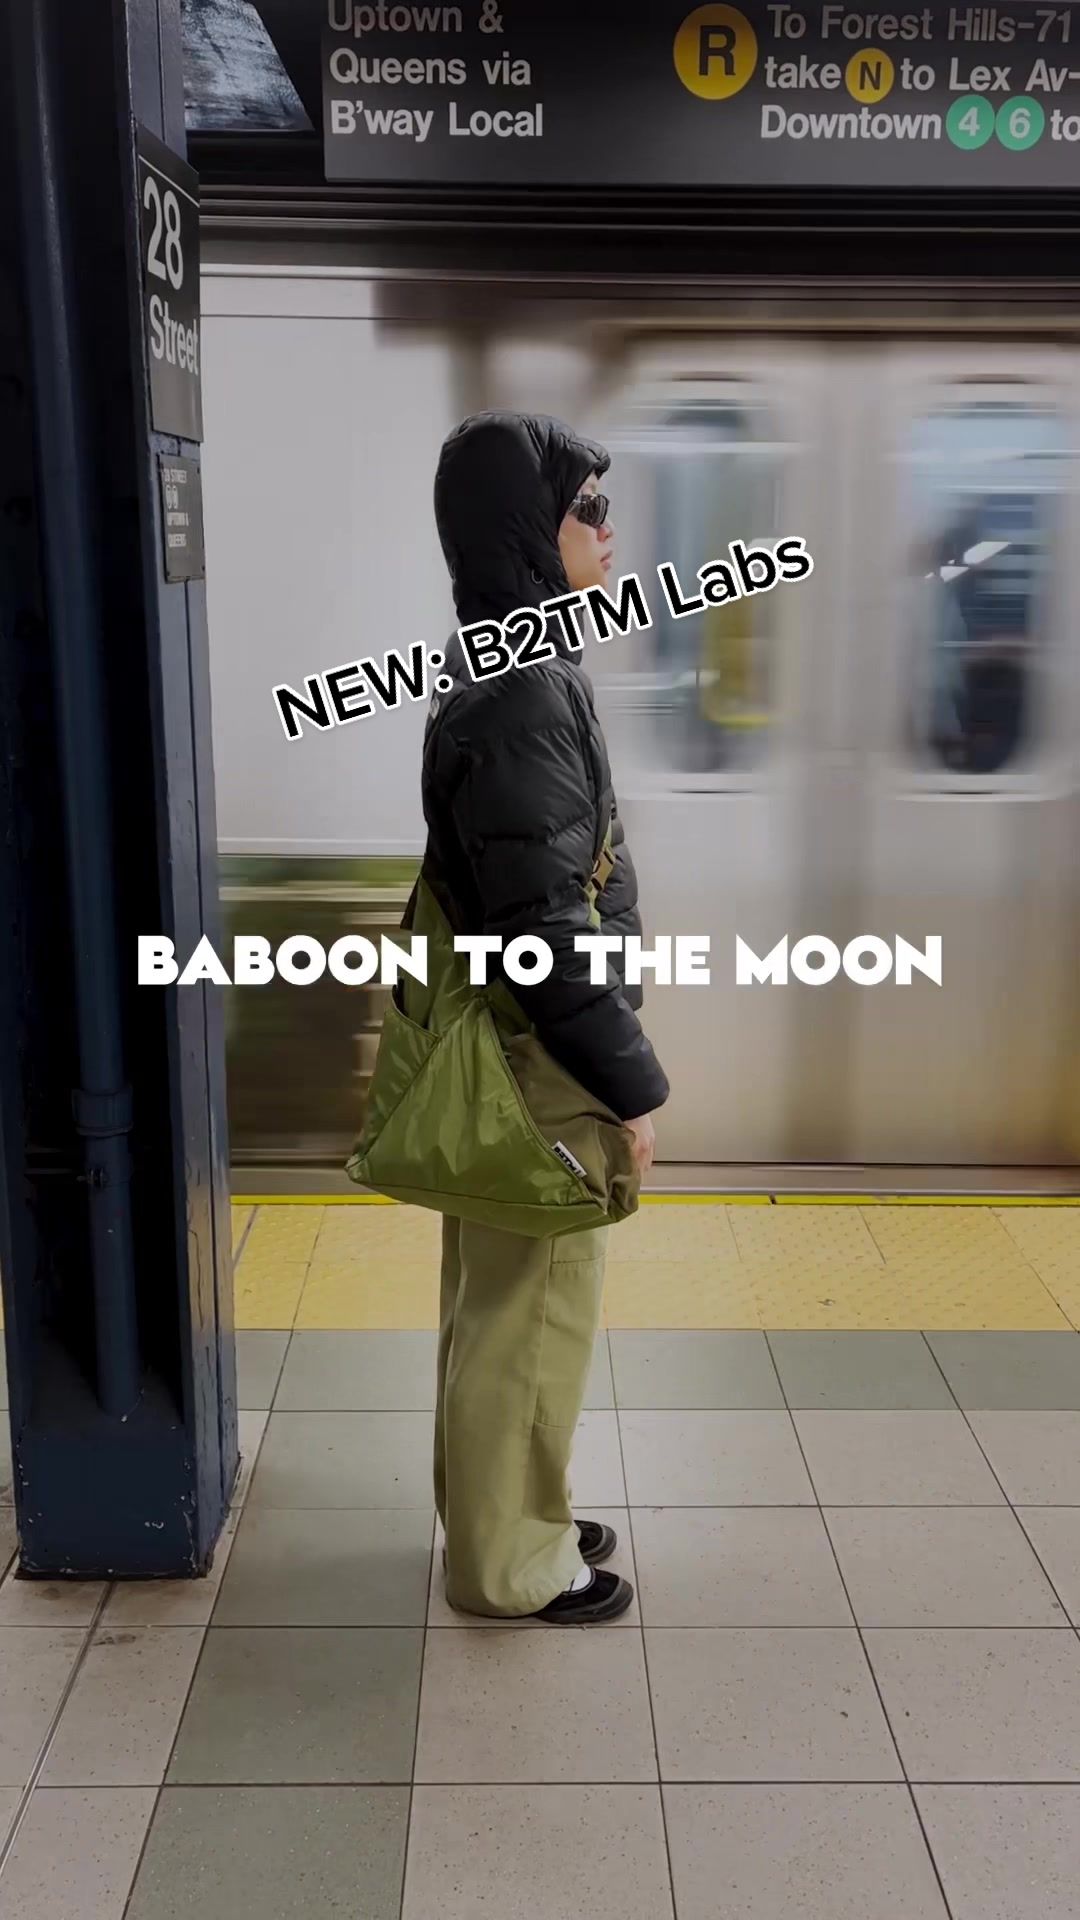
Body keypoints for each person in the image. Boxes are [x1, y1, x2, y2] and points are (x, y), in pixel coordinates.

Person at [421, 411, 669, 1625]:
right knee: (534, 1312)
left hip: (518, 1040)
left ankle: (507, 1512)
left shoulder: (505, 657)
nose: (609, 532)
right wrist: (631, 1085)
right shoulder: (523, 689)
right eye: (587, 509)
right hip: (543, 1057)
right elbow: (545, 927)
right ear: (527, 529)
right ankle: (512, 1565)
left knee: (499, 1301)